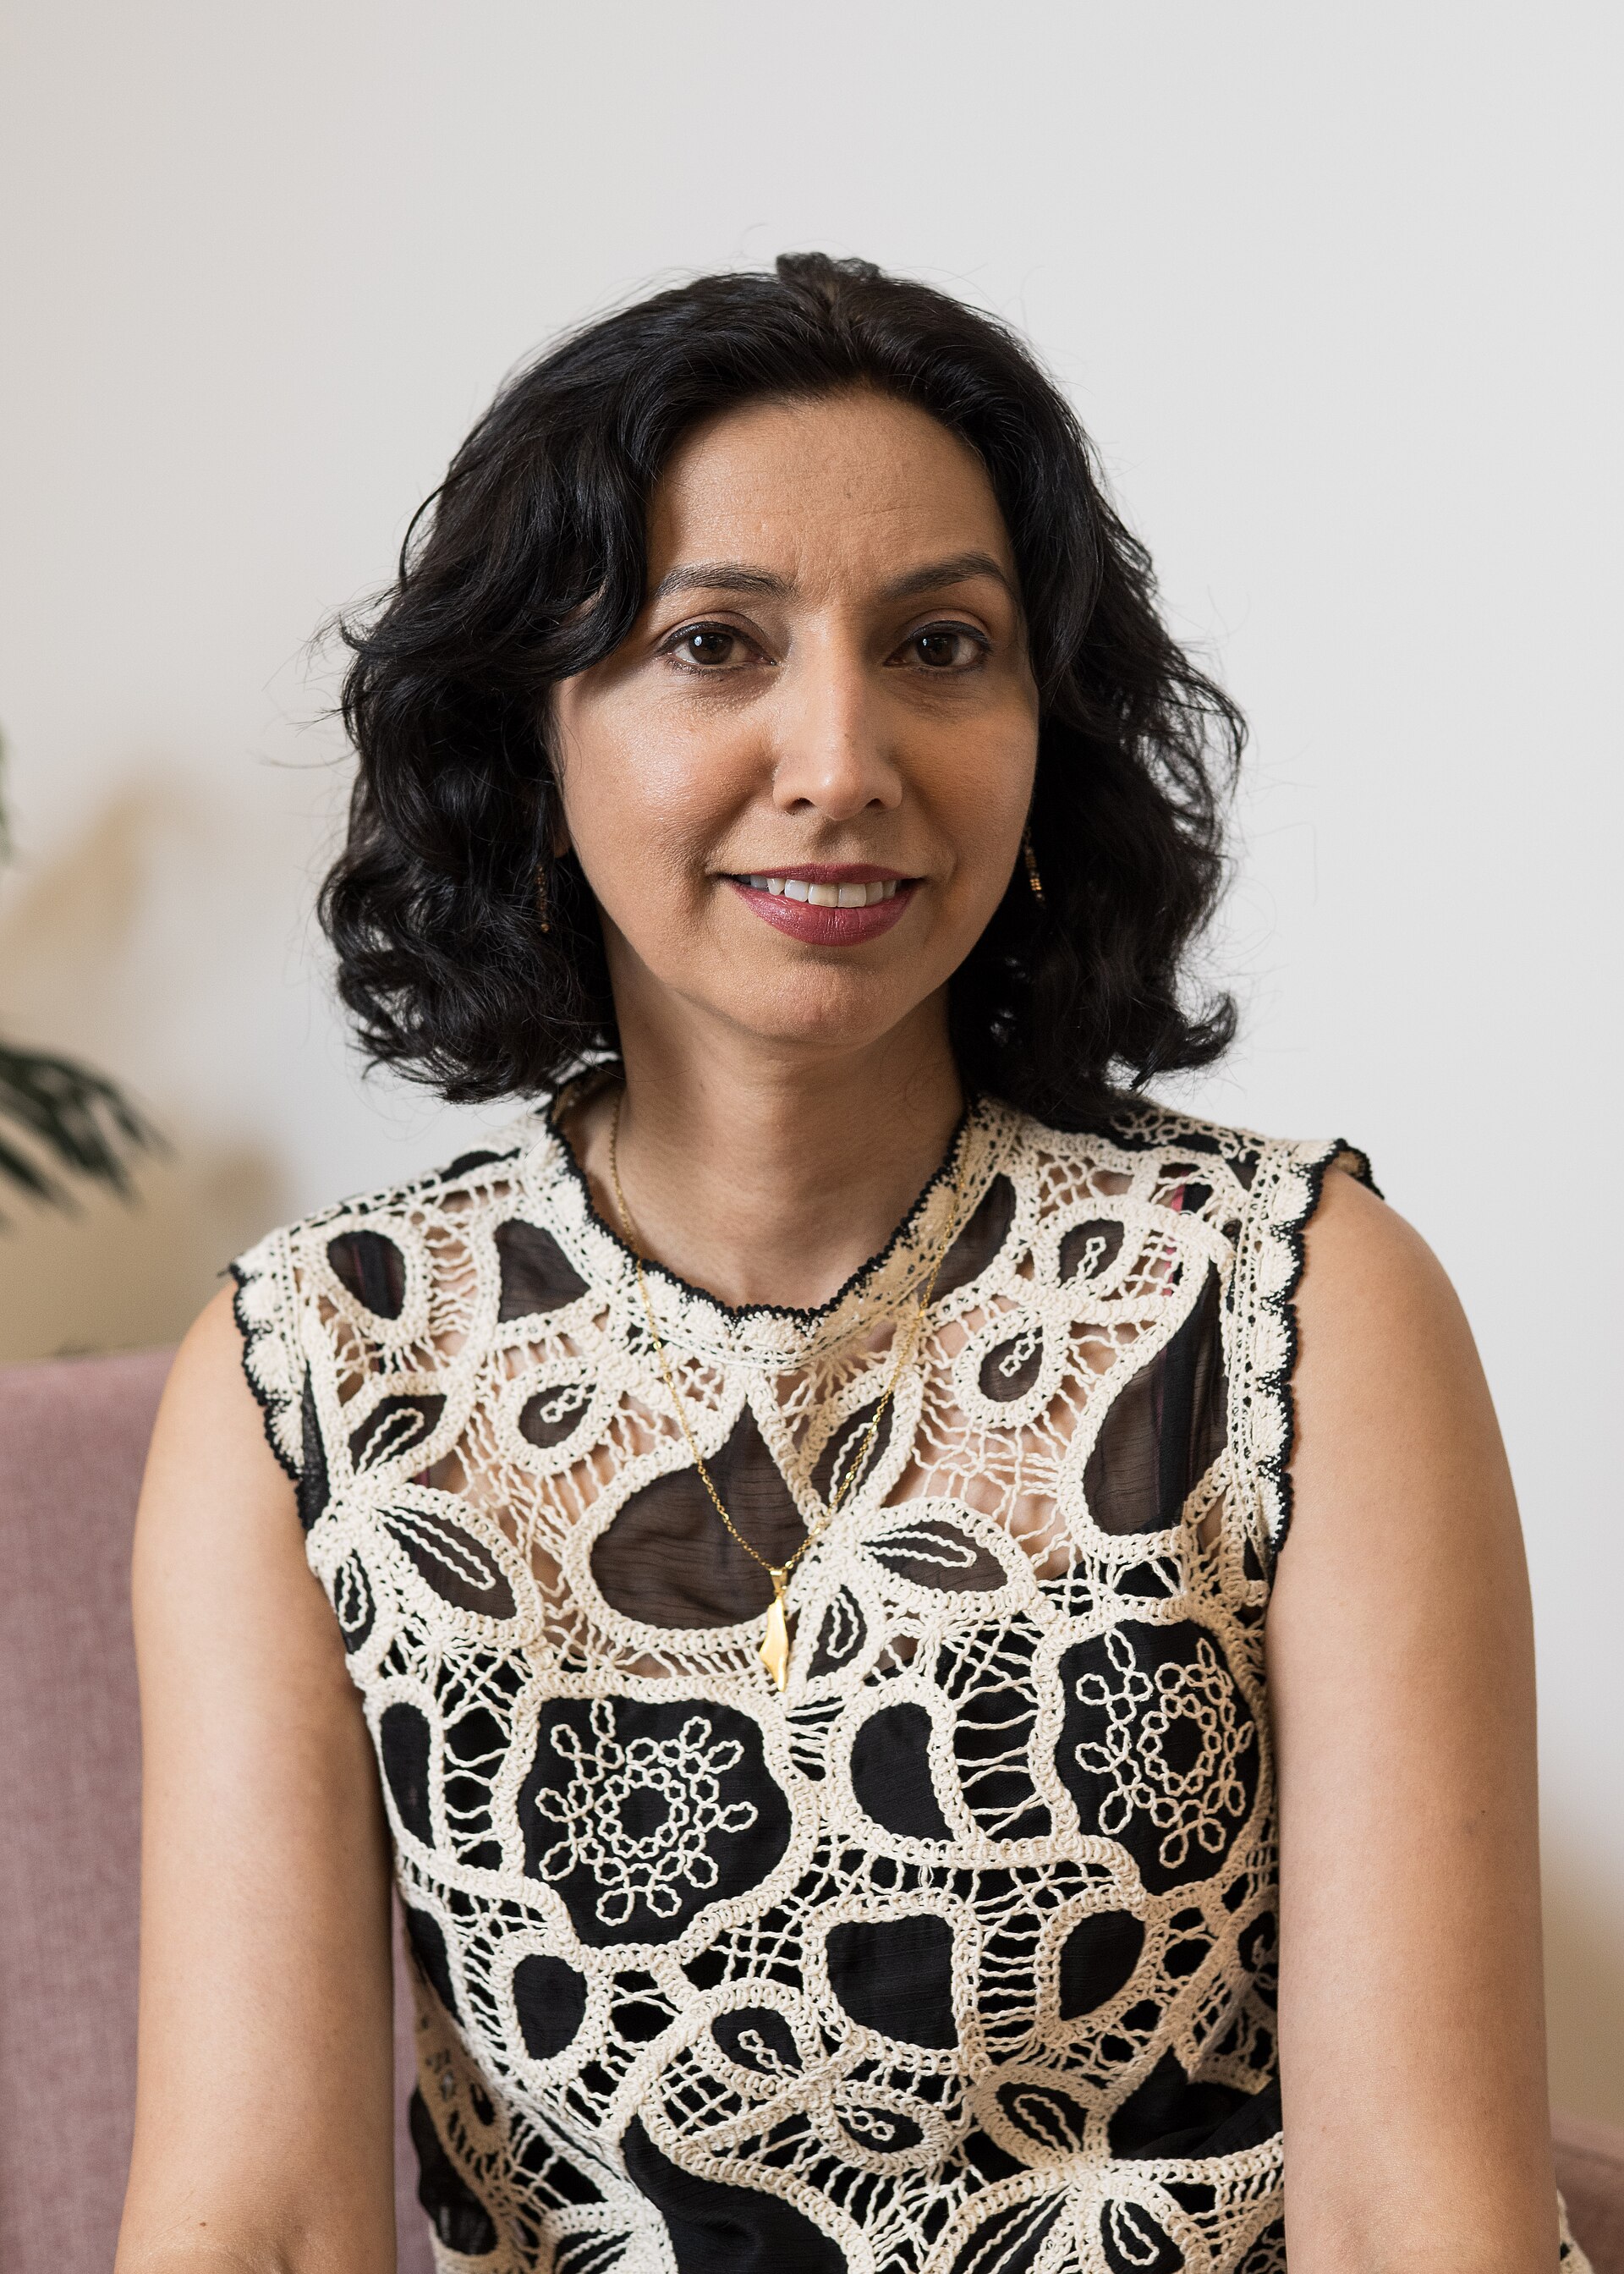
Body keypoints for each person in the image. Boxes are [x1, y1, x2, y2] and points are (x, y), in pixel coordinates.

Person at [116, 255, 1587, 2274]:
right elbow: (257, 2225)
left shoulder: (1305, 1305)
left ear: (1042, 734)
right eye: (714, 641)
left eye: (943, 646)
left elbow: (1423, 2221)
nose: (842, 756)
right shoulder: (313, 1369)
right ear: (532, 735)